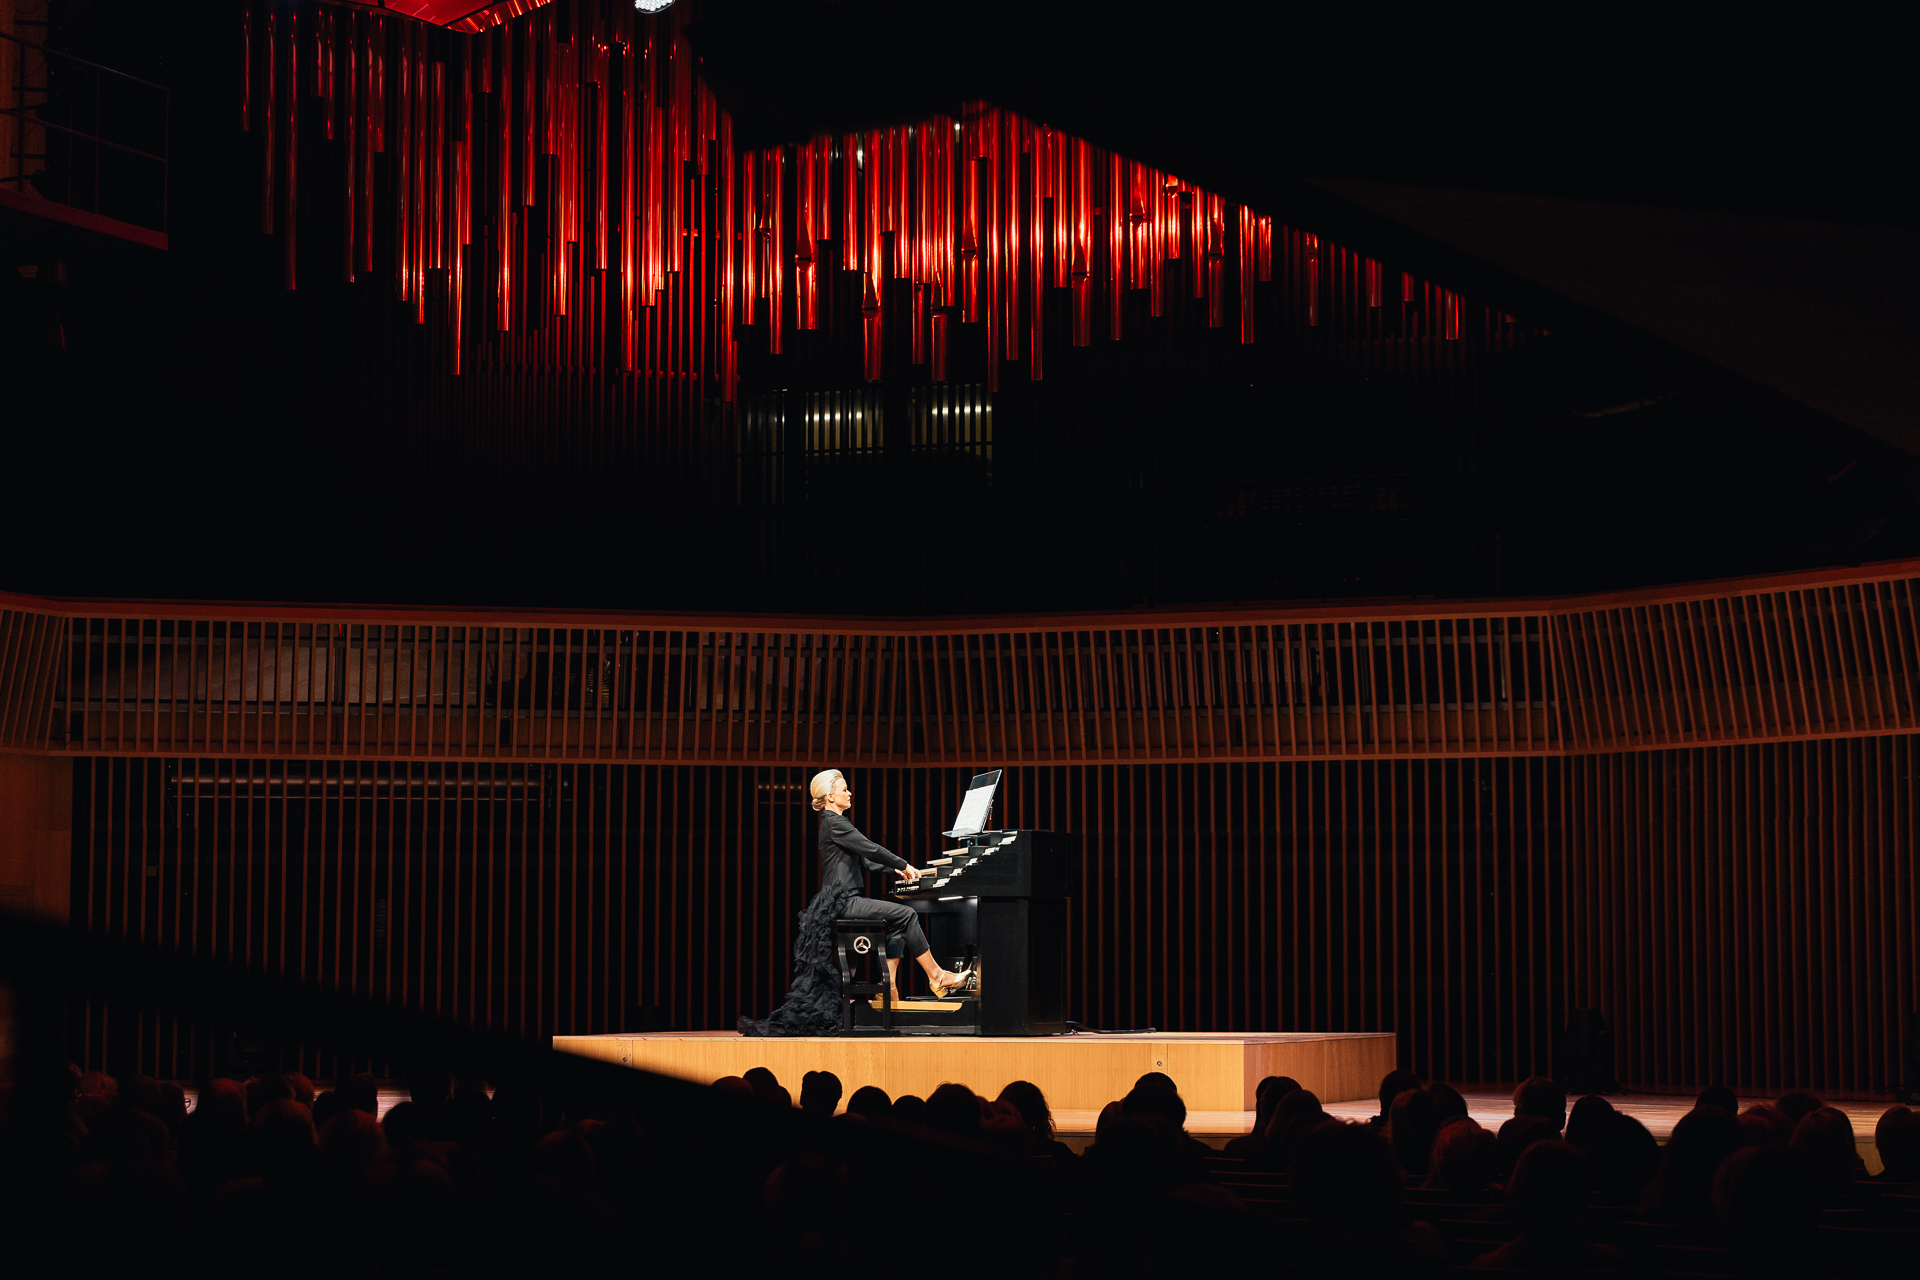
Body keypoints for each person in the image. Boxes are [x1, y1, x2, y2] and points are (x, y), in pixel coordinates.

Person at [738, 769, 967, 1035]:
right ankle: (937, 976)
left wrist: (894, 869)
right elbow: (870, 847)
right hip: (842, 901)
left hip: (842, 899)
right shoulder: (834, 822)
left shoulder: (835, 823)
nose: (849, 793)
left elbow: (865, 859)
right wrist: (903, 863)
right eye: (844, 789)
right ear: (830, 796)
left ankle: (889, 989)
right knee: (906, 915)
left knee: (899, 920)